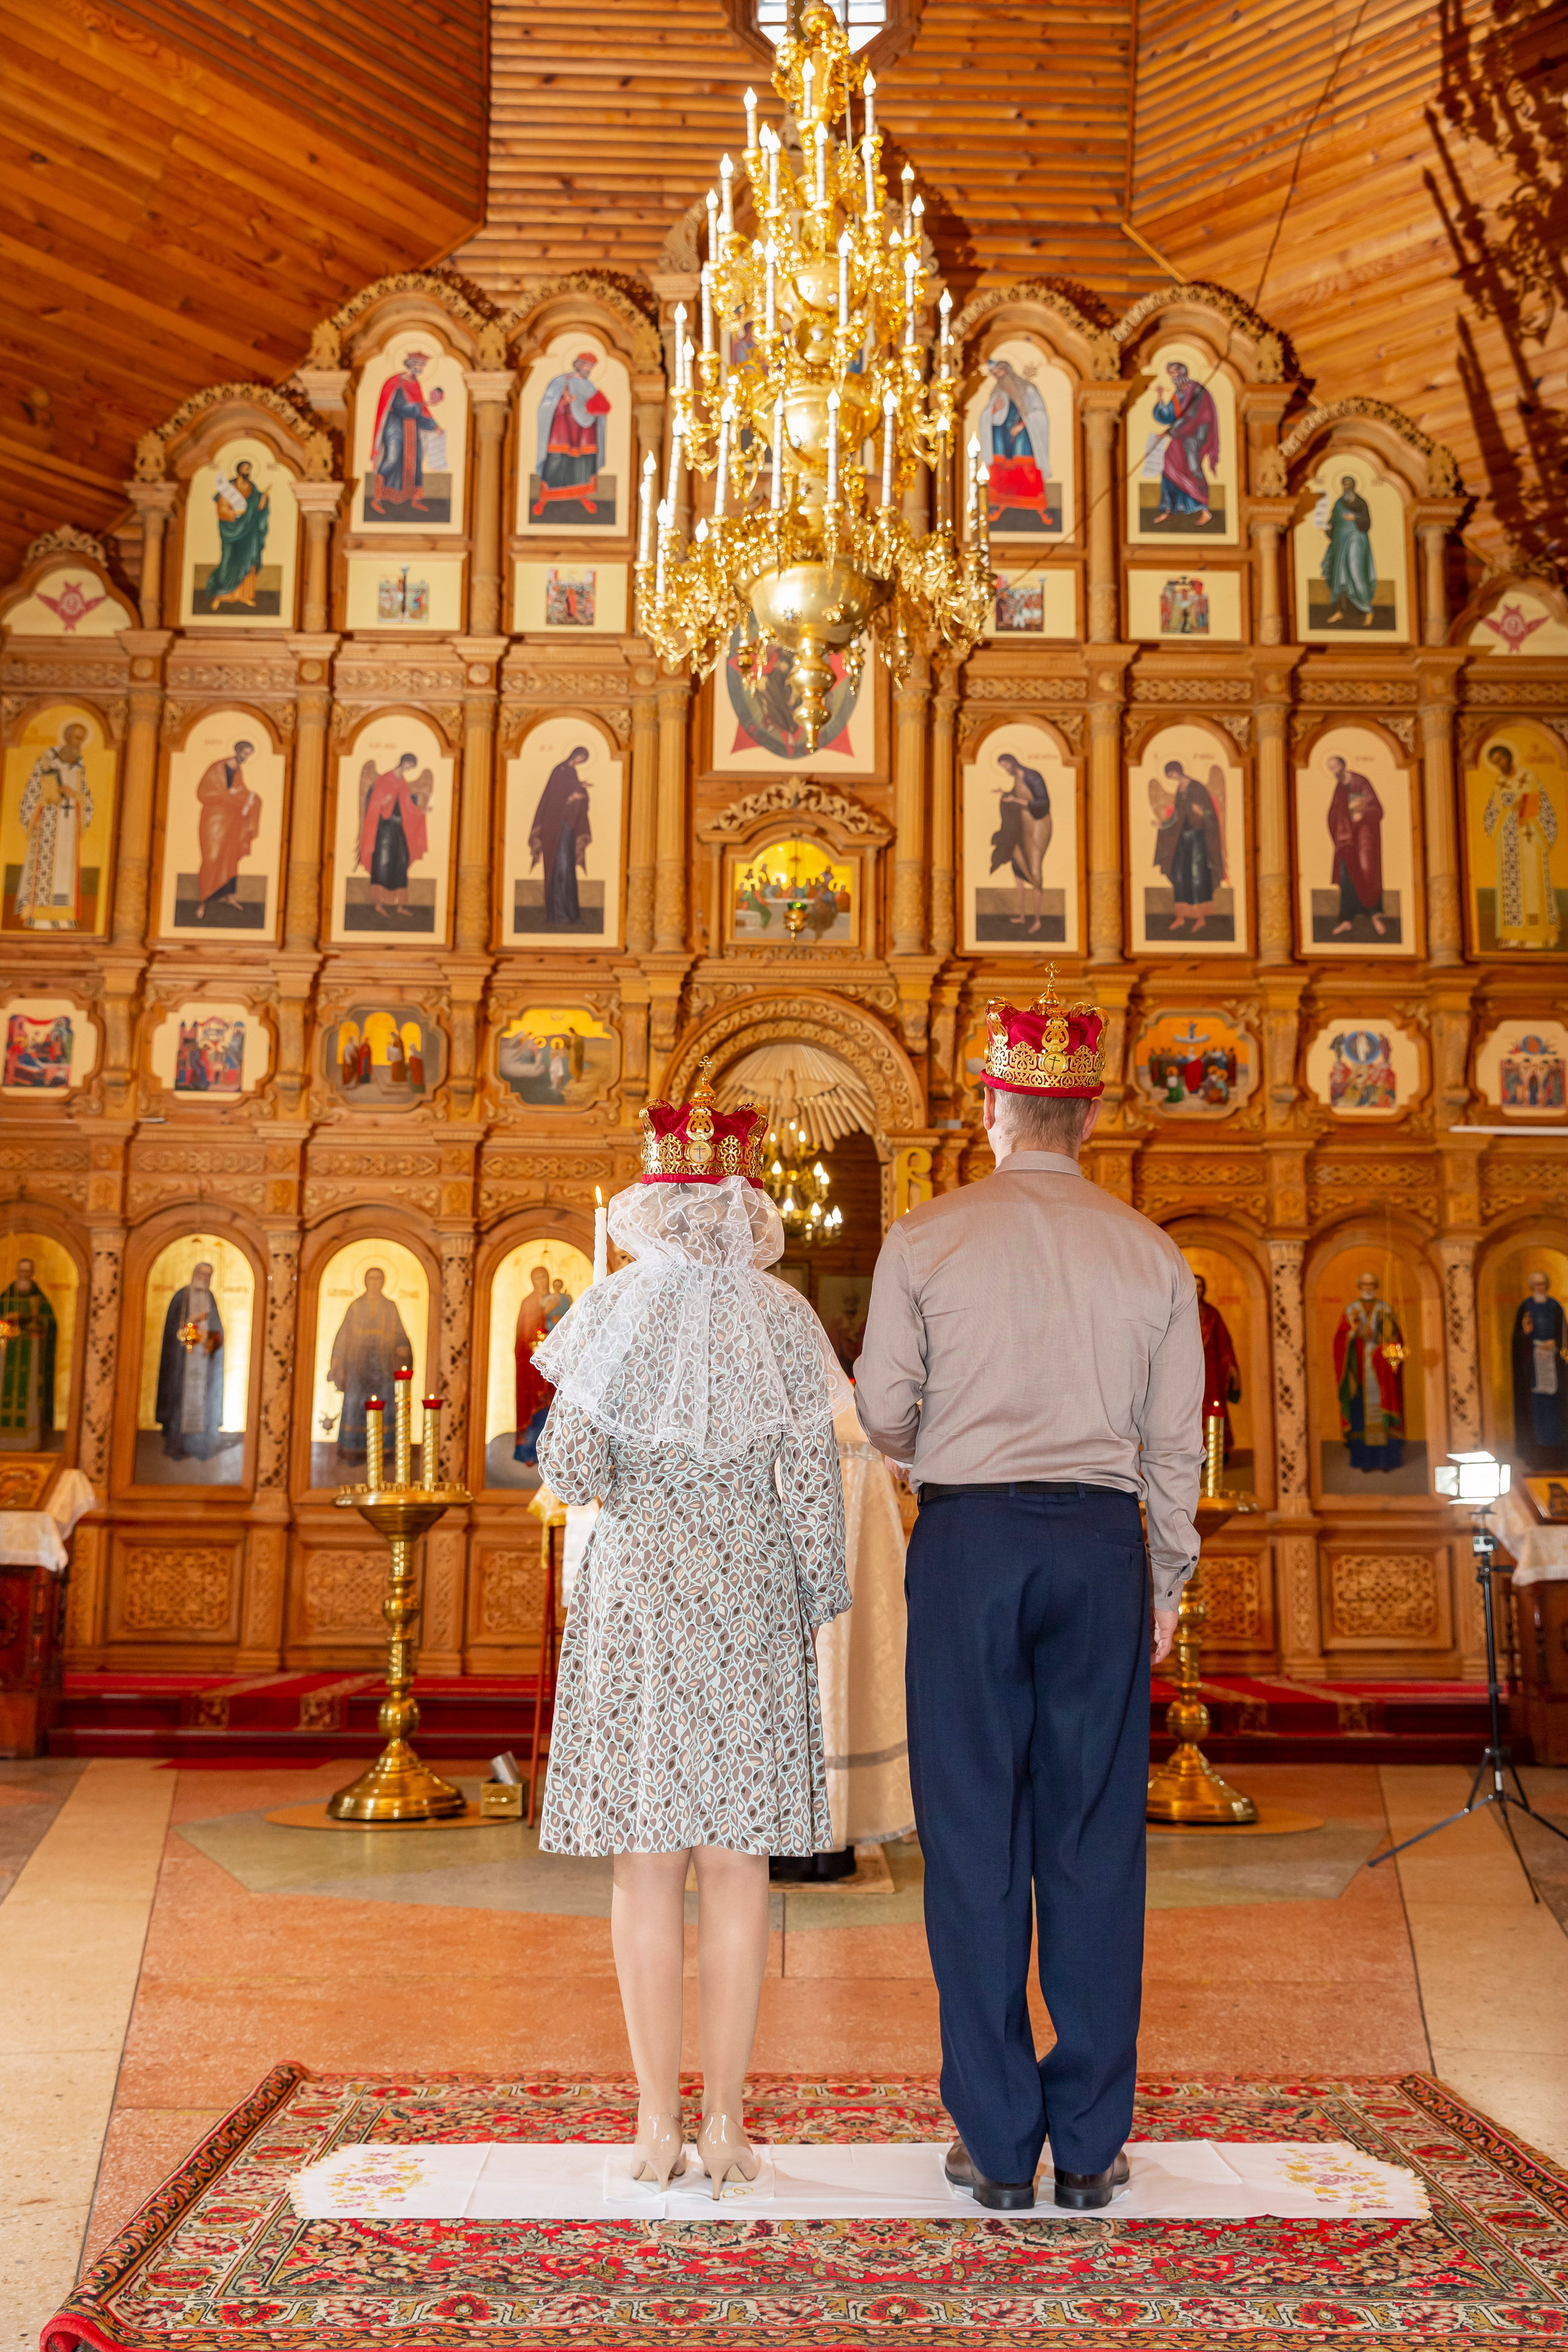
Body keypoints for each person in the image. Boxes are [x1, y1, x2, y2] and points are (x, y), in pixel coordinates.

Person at [854, 971, 1201, 2214]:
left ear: (990, 1108)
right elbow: (1175, 1448)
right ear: (1090, 1118)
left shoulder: (926, 1236)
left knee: (973, 1836)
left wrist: (918, 1446)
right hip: (1104, 1549)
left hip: (969, 1547)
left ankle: (998, 2143)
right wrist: (1164, 1576)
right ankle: (1090, 2144)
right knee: (1095, 1836)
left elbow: (881, 1407)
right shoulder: (1151, 1253)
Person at [532, 1066, 849, 2196]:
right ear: (739, 1208)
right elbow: (815, 1488)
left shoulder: (611, 1308)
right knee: (738, 1864)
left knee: (646, 1863)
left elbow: (569, 1468)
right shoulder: (784, 1314)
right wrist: (816, 1603)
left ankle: (655, 2127)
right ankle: (726, 2125)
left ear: (653, 1207)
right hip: (752, 1592)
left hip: (639, 1597)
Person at [327, 1268, 414, 1458]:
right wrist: (338, 1361)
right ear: (365, 1281)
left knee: (384, 1402)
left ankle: (385, 1450)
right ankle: (352, 1450)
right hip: (358, 1364)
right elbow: (343, 1335)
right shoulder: (356, 1306)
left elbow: (400, 1333)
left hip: (383, 1364)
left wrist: (401, 1349)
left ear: (383, 1282)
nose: (375, 1283)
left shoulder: (390, 1306)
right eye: (371, 1279)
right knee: (355, 1404)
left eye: (378, 1279)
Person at [1482, 742, 1559, 950]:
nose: (1500, 765)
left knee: (1533, 885)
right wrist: (1509, 807)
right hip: (1508, 843)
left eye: (1502, 759)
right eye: (1495, 763)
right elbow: (1491, 815)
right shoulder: (1499, 783)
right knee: (1511, 888)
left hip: (1530, 840)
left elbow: (1542, 807)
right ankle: (1513, 934)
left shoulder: (1529, 777)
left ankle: (1539, 935)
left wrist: (1523, 806)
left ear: (1510, 757)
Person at [17, 722, 92, 930]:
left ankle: (64, 917)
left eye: (82, 739)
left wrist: (75, 795)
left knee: (65, 873)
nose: (79, 744)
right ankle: (39, 916)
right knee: (45, 870)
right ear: (67, 736)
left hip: (68, 827)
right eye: (76, 738)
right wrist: (48, 797)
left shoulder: (79, 763)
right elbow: (31, 792)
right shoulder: (46, 760)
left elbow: (85, 796)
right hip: (47, 824)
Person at [1333, 1271, 1404, 1472]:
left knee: (1381, 1415)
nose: (1368, 1288)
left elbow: (1396, 1342)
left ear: (1377, 1286)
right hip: (1359, 1374)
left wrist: (1385, 1349)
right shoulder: (1350, 1311)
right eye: (1364, 1285)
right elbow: (1339, 1341)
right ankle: (1363, 1460)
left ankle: (1385, 1461)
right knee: (1360, 1415)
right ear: (1359, 1286)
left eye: (1372, 1284)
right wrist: (1354, 1332)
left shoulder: (1386, 1309)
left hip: (1381, 1373)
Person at [154, 1261, 225, 1461]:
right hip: (182, 1361)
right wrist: (191, 1326)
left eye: (208, 1276)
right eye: (202, 1275)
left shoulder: (210, 1297)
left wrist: (213, 1341)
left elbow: (217, 1329)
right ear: (194, 1274)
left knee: (204, 1398)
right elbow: (173, 1331)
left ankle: (201, 1446)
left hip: (204, 1360)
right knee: (180, 1398)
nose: (205, 1279)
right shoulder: (181, 1297)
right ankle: (177, 1446)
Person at [532, 352, 612, 519]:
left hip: (585, 433)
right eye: (586, 365)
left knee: (583, 463)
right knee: (556, 460)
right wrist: (563, 402)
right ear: (578, 364)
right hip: (563, 430)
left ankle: (583, 495)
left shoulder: (590, 387)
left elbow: (594, 408)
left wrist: (599, 409)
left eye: (591, 367)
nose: (588, 369)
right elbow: (546, 406)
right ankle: (544, 498)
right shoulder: (561, 382)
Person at [368, 350, 445, 516]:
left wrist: (434, 426)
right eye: (418, 364)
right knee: (393, 457)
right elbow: (402, 407)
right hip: (395, 426)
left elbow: (419, 412)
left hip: (411, 428)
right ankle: (378, 497)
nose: (420, 367)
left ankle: (414, 498)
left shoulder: (415, 384)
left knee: (415, 461)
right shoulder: (396, 382)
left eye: (422, 365)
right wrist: (423, 404)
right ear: (410, 364)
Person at [356, 753, 431, 921]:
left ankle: (400, 905)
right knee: (383, 863)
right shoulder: (385, 779)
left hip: (398, 828)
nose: (409, 769)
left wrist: (421, 811)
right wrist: (383, 802)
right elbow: (374, 803)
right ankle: (379, 904)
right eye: (409, 765)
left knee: (401, 861)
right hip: (384, 829)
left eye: (411, 767)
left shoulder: (402, 782)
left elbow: (408, 805)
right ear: (404, 762)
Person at [1154, 760, 1226, 933]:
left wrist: (1202, 812)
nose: (1171, 778)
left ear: (1178, 771)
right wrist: (1162, 824)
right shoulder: (1180, 789)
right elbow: (1177, 814)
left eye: (1171, 774)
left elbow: (1210, 812)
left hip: (1198, 839)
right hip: (1183, 839)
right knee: (1179, 874)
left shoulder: (1197, 787)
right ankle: (1181, 916)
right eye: (1169, 776)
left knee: (1198, 876)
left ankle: (1201, 917)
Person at [192, 741, 260, 923]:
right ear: (237, 751)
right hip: (214, 818)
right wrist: (228, 794)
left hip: (232, 819)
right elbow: (203, 793)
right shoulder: (217, 768)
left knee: (229, 857)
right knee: (211, 857)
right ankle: (203, 901)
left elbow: (240, 791)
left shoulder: (238, 770)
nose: (245, 757)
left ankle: (229, 897)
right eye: (244, 753)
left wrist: (249, 798)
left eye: (248, 755)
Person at [529, 746, 592, 929]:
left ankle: (571, 914)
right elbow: (552, 798)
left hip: (566, 827)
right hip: (554, 827)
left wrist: (581, 789)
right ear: (574, 754)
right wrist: (571, 797)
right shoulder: (560, 770)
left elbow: (573, 795)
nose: (580, 761)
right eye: (579, 757)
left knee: (568, 869)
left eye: (583, 759)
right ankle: (558, 915)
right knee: (559, 868)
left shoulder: (572, 772)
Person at [990, 752, 1052, 936]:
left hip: (1039, 825)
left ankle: (1038, 920)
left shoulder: (1033, 776)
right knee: (1018, 865)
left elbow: (1043, 803)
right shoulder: (1017, 778)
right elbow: (1017, 797)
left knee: (1034, 868)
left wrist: (1014, 800)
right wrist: (1006, 794)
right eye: (1002, 767)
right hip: (1023, 824)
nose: (1006, 770)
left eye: (1006, 765)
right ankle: (1023, 915)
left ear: (1013, 762)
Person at [1150, 360, 1219, 526]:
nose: (1173, 378)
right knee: (1169, 463)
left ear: (1182, 373)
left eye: (1174, 374)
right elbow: (1168, 415)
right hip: (1181, 435)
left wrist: (1169, 432)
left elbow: (1192, 417)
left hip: (1195, 437)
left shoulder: (1197, 391)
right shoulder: (1179, 393)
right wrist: (1160, 397)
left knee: (1193, 468)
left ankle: (1204, 509)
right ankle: (1169, 509)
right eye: (1171, 375)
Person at [1325, 753, 1386, 937]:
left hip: (1364, 839)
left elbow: (1377, 808)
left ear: (1343, 766)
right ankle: (1346, 920)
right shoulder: (1339, 787)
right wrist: (1338, 829)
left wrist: (1363, 815)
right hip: (1346, 840)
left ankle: (1375, 916)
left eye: (1335, 767)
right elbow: (1335, 811)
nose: (1334, 771)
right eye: (1331, 769)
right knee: (1346, 875)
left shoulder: (1360, 781)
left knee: (1367, 873)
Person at [1512, 1272, 1568, 1471]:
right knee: (1536, 1413)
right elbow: (1518, 1339)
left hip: (1554, 1366)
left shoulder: (1555, 1307)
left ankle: (1556, 1454)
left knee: (1554, 1411)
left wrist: (1556, 1343)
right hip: (1533, 1371)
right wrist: (1526, 1335)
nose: (1539, 1288)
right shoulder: (1525, 1307)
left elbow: (1565, 1336)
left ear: (1547, 1285)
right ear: (1531, 1287)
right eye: (1536, 1285)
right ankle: (1536, 1454)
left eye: (1543, 1284)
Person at [0, 1257, 57, 1452]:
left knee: (30, 1396)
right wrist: (7, 1323)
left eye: (28, 1271)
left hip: (32, 1353)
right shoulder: (6, 1298)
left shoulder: (39, 1300)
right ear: (16, 1272)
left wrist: (32, 1320)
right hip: (7, 1355)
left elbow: (50, 1325)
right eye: (21, 1271)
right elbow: (0, 1329)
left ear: (32, 1273)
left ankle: (28, 1442)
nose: (24, 1274)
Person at [203, 461, 271, 610]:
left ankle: (244, 596)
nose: (248, 471)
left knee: (247, 563)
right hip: (231, 531)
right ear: (239, 470)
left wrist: (265, 497)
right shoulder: (229, 488)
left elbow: (258, 509)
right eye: (246, 469)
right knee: (228, 561)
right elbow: (222, 510)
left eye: (250, 469)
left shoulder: (252, 489)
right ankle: (220, 596)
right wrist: (234, 513)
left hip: (250, 533)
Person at [1194, 1273, 1242, 1461]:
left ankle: (1218, 1450)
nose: (1198, 1291)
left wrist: (1232, 1370)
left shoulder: (1212, 1314)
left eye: (1200, 1287)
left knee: (1215, 1409)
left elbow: (1225, 1344)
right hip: (1189, 1374)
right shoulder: (1180, 1313)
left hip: (1212, 1373)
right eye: (1195, 1286)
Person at [1319, 473, 1377, 627]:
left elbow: (1367, 523)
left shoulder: (1361, 503)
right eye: (1344, 485)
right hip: (1340, 543)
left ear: (1354, 486)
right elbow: (1332, 521)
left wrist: (1355, 518)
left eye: (1349, 485)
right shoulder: (1339, 503)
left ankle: (1368, 611)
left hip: (1356, 542)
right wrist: (1327, 527)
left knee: (1357, 574)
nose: (1347, 488)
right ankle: (1339, 611)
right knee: (1339, 577)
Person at [513, 1264, 556, 1465]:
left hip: (555, 1364)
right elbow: (523, 1335)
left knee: (553, 1405)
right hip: (531, 1368)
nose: (541, 1282)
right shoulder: (528, 1303)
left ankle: (555, 1453)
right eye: (537, 1278)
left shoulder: (558, 1301)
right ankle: (529, 1451)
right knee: (533, 1406)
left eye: (544, 1278)